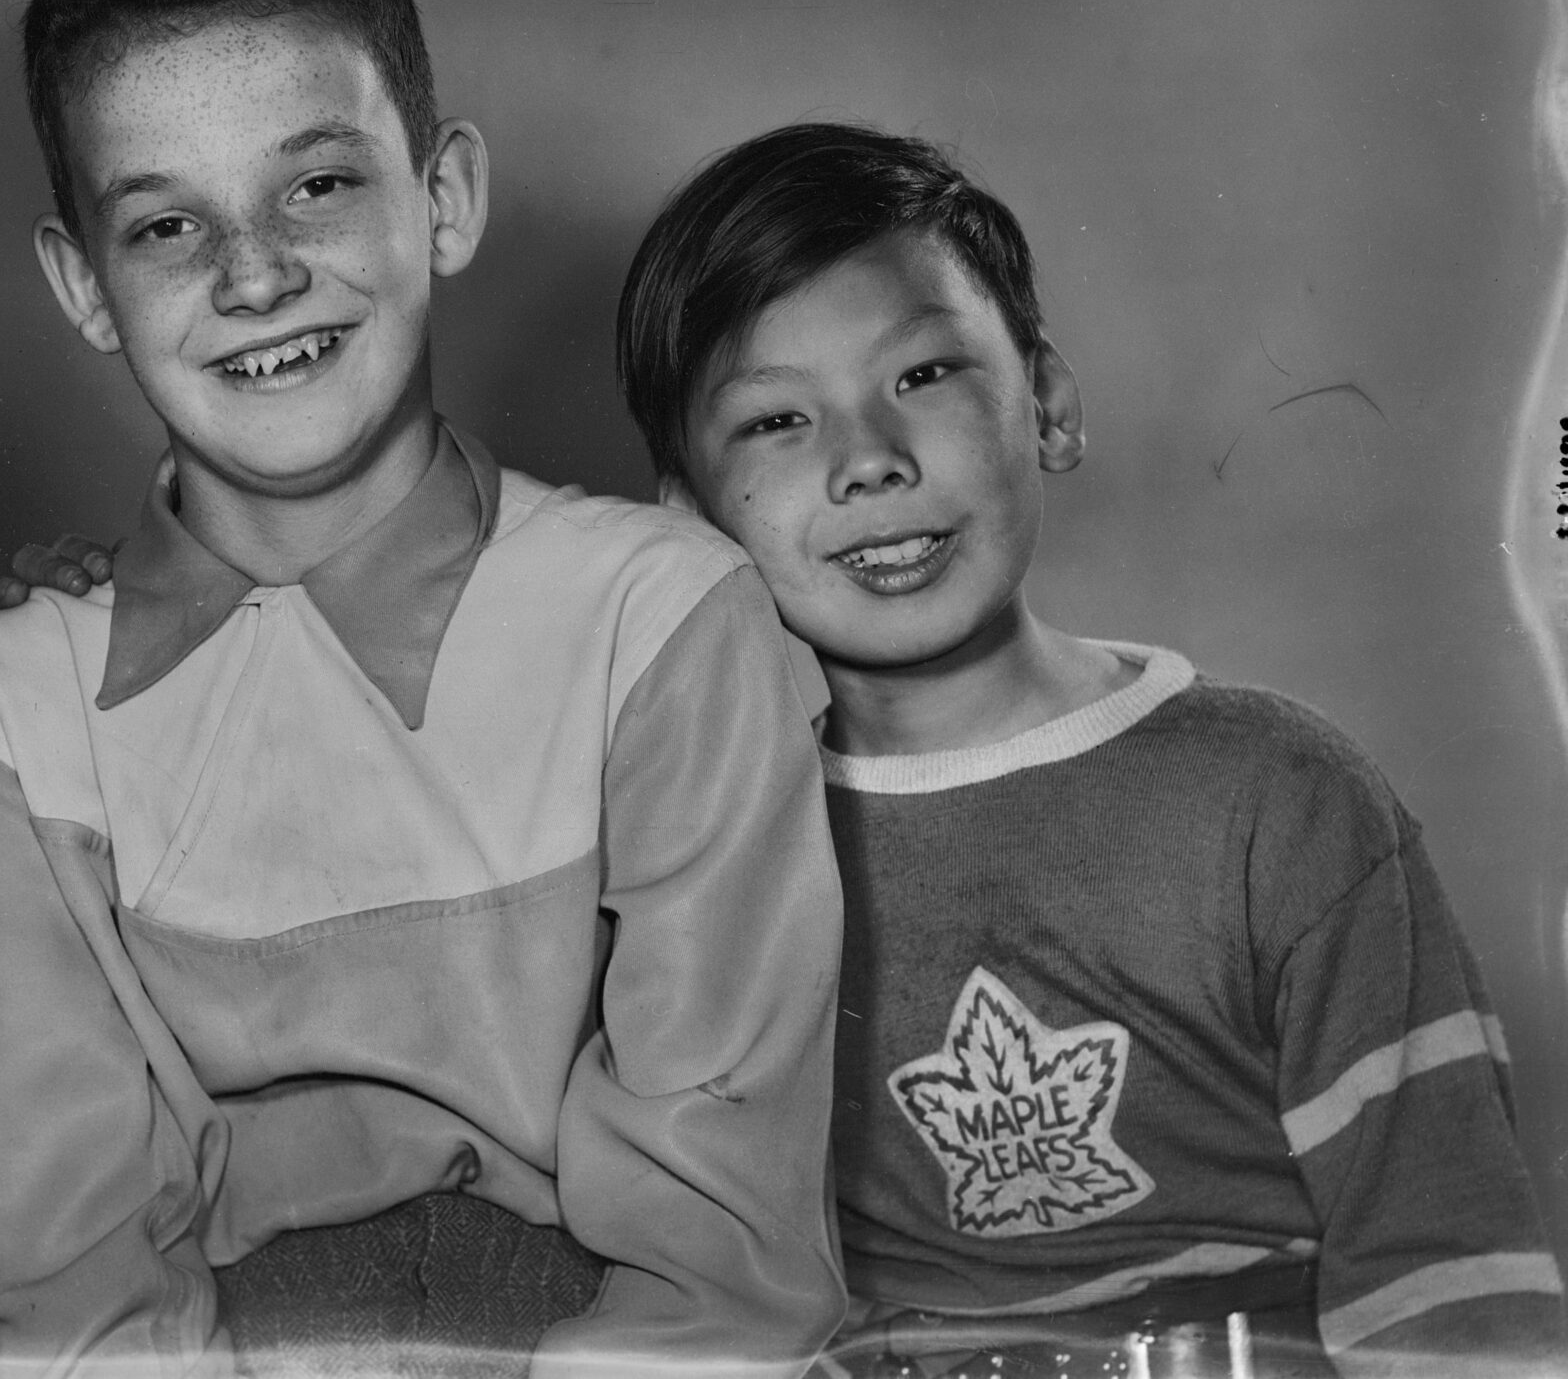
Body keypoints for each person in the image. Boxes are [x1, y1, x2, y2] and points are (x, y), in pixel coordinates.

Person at [0, 0, 847, 1379]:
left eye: (318, 186)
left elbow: (721, 1250)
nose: (253, 272)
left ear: (444, 195)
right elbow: (66, 1279)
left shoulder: (661, 618)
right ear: (84, 285)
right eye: (164, 224)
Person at [612, 121, 1566, 1376]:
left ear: (1048, 403)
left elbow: (1450, 1280)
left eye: (921, 377)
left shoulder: (1277, 800)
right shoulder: (698, 852)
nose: (868, 463)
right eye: (776, 420)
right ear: (690, 525)